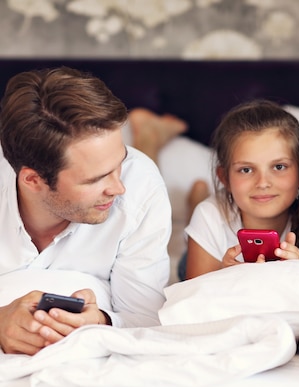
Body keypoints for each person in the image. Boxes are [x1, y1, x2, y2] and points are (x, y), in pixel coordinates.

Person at [0, 67, 172, 355]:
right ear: (33, 180)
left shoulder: (140, 185)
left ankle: (151, 138)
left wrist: (102, 321)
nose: (119, 188)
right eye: (95, 179)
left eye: (120, 162)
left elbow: (147, 320)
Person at [182, 99, 299, 279]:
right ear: (224, 178)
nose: (262, 183)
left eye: (279, 167)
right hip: (208, 257)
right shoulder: (209, 216)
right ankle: (193, 210)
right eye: (246, 170)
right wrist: (225, 279)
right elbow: (195, 300)